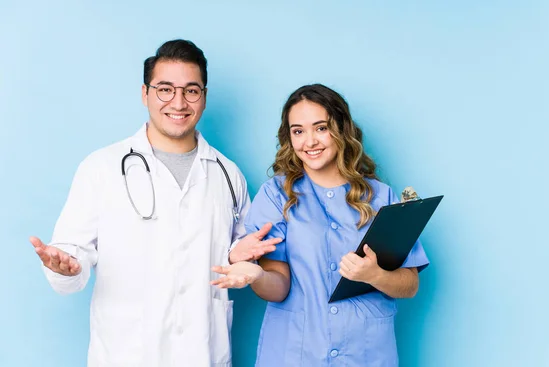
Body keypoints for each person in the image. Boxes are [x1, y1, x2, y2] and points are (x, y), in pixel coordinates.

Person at [29, 39, 280, 367]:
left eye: (191, 90)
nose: (178, 102)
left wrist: (238, 257)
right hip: (126, 355)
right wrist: (65, 266)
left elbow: (235, 254)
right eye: (165, 89)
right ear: (145, 93)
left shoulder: (228, 175)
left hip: (203, 353)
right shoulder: (102, 166)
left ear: (204, 97)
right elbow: (71, 254)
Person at [212, 84, 430, 366]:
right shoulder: (276, 194)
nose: (309, 141)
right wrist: (256, 276)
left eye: (321, 128)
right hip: (296, 353)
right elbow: (278, 286)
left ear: (341, 129)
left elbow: (409, 284)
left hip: (365, 353)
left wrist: (375, 275)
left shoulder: (381, 197)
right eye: (298, 131)